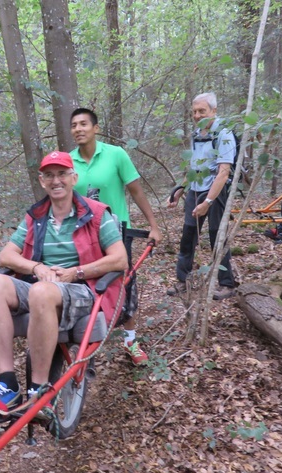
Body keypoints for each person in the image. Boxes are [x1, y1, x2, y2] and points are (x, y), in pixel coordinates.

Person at [0, 151, 128, 418]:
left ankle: (39, 390)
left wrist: (76, 272)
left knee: (41, 291)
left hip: (83, 288)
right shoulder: (36, 216)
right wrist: (36, 267)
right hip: (42, 283)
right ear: (42, 181)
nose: (55, 180)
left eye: (61, 174)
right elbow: (6, 255)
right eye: (49, 175)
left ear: (74, 178)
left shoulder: (96, 214)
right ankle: (8, 383)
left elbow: (120, 259)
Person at [69, 107, 161, 365]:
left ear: (96, 128)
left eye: (84, 123)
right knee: (84, 283)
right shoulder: (68, 160)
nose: (78, 129)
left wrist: (153, 225)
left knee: (125, 284)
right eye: (74, 125)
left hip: (118, 233)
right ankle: (86, 340)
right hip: (82, 235)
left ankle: (131, 340)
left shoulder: (116, 155)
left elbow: (136, 190)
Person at [166, 92, 236, 301]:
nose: (197, 115)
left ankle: (227, 283)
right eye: (194, 111)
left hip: (216, 191)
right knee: (188, 236)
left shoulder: (223, 134)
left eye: (202, 111)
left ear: (214, 111)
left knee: (217, 236)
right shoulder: (197, 134)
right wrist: (180, 189)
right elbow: (195, 166)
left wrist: (208, 201)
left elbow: (223, 172)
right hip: (195, 190)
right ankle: (183, 281)